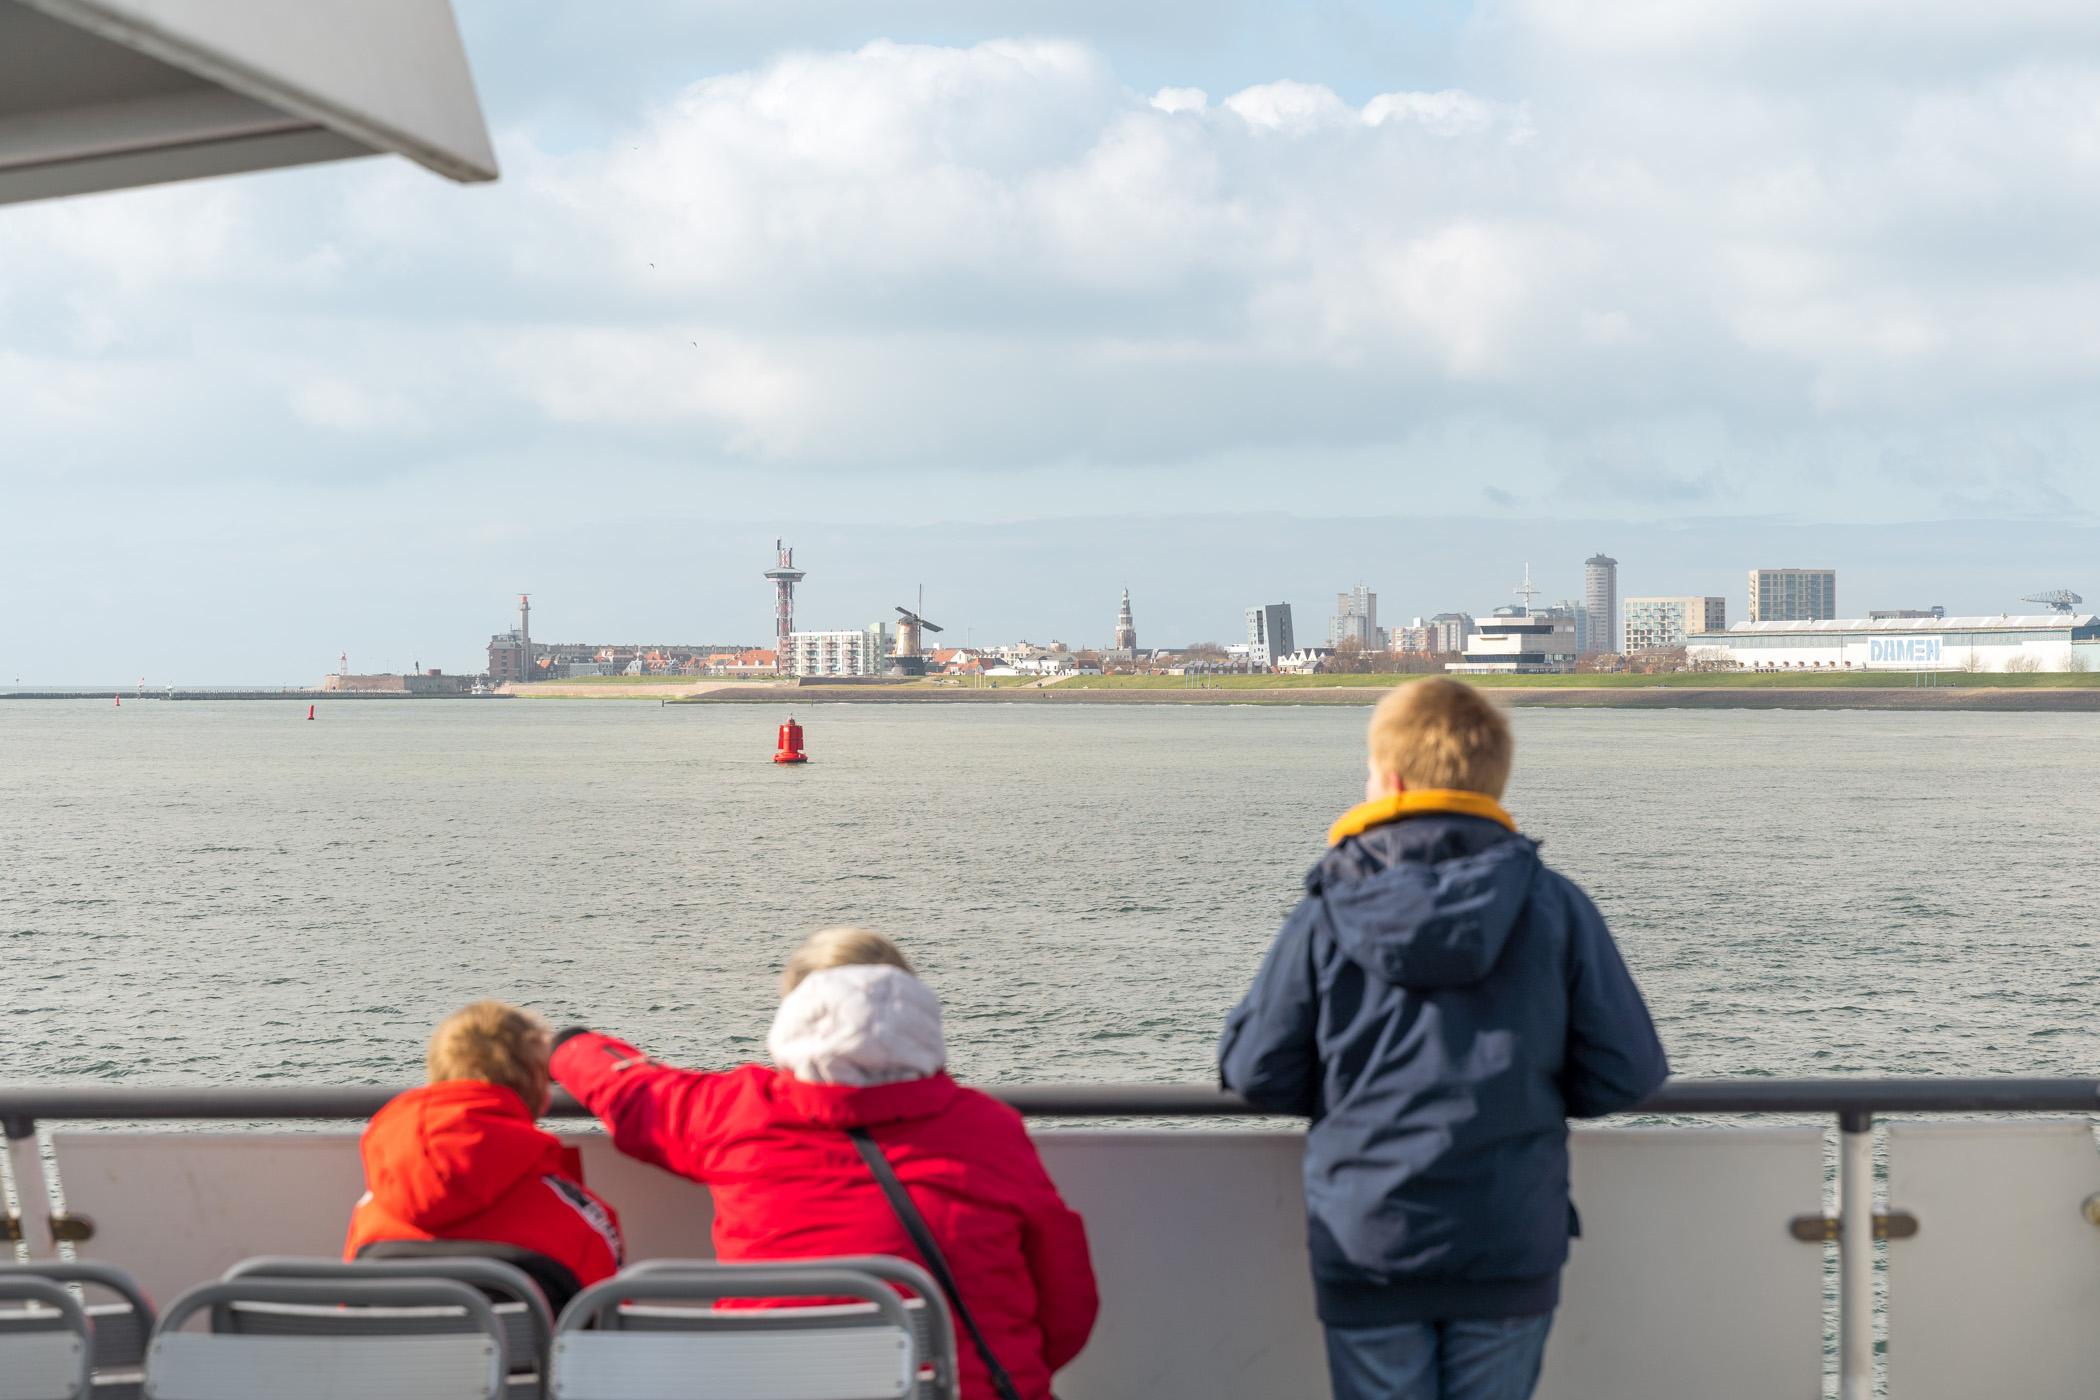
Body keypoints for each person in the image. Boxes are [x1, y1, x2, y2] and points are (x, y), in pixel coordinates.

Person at [1218, 678, 1668, 1400]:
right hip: (1508, 1238)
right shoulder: (1554, 905)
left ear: (1389, 780)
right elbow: (1629, 1070)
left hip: (1370, 1239)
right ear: (1493, 779)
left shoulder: (1328, 909)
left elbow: (1256, 1068)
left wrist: (1348, 1093)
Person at [552, 928, 1098, 1400]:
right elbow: (1068, 1305)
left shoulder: (735, 1114)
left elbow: (632, 1091)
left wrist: (564, 1044)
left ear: (794, 1017)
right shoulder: (989, 1128)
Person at [345, 1000, 624, 1307]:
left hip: (396, 1355)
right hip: (522, 1356)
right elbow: (606, 1336)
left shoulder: (372, 1213)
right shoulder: (579, 1220)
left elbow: (354, 1321)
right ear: (541, 1096)